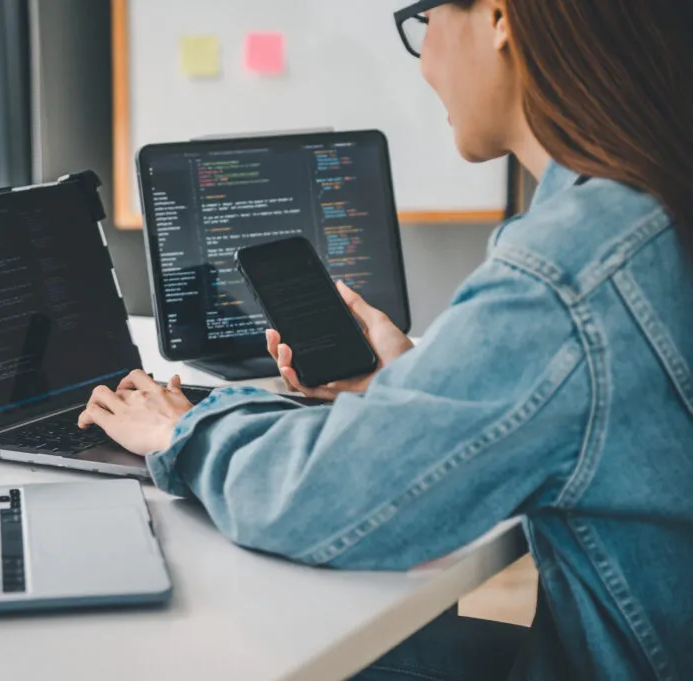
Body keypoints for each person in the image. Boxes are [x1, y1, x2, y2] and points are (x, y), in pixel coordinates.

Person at [78, 0, 693, 678]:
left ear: (497, 17)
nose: (426, 61)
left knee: (262, 649)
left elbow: (318, 498)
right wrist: (412, 383)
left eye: (425, 19)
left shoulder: (566, 269)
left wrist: (184, 429)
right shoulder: (654, 200)